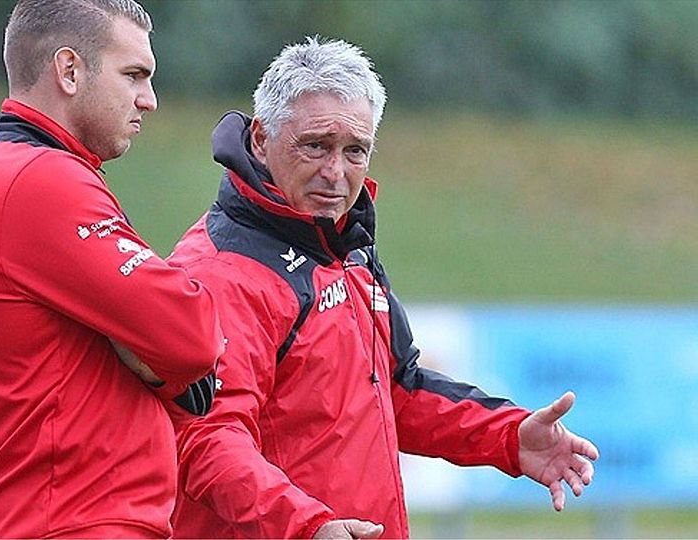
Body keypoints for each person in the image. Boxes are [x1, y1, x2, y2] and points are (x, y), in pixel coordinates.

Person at [166, 37, 599, 539]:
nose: (336, 173)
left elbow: (398, 389)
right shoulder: (222, 272)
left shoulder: (343, 244)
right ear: (261, 140)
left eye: (355, 151)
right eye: (316, 146)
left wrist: (507, 435)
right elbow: (206, 439)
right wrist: (308, 527)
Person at [0, 0, 225, 537]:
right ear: (69, 70)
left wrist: (151, 357)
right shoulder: (42, 181)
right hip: (69, 521)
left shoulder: (2, 173)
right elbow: (193, 334)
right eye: (133, 75)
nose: (150, 100)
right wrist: (167, 367)